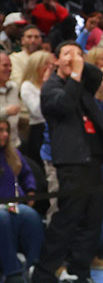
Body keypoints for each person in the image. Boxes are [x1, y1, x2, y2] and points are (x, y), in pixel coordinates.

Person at [32, 42, 103, 283]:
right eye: (67, 54)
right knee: (67, 219)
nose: (73, 58)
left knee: (93, 219)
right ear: (56, 60)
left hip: (93, 159)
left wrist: (80, 64)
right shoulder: (51, 87)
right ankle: (44, 273)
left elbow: (94, 75)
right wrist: (73, 73)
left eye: (78, 53)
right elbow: (63, 105)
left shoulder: (83, 83)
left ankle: (80, 272)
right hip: (70, 161)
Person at [0, 119, 42, 283]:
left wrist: (30, 191)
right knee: (2, 219)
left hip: (14, 204)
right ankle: (13, 272)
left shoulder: (13, 154)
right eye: (1, 130)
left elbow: (27, 174)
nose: (4, 134)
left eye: (6, 131)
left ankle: (33, 266)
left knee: (30, 216)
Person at [18, 51, 52, 161]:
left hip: (54, 127)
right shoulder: (27, 86)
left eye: (51, 64)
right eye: (46, 64)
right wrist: (46, 84)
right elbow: (37, 111)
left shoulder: (54, 83)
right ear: (37, 65)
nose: (50, 67)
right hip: (39, 129)